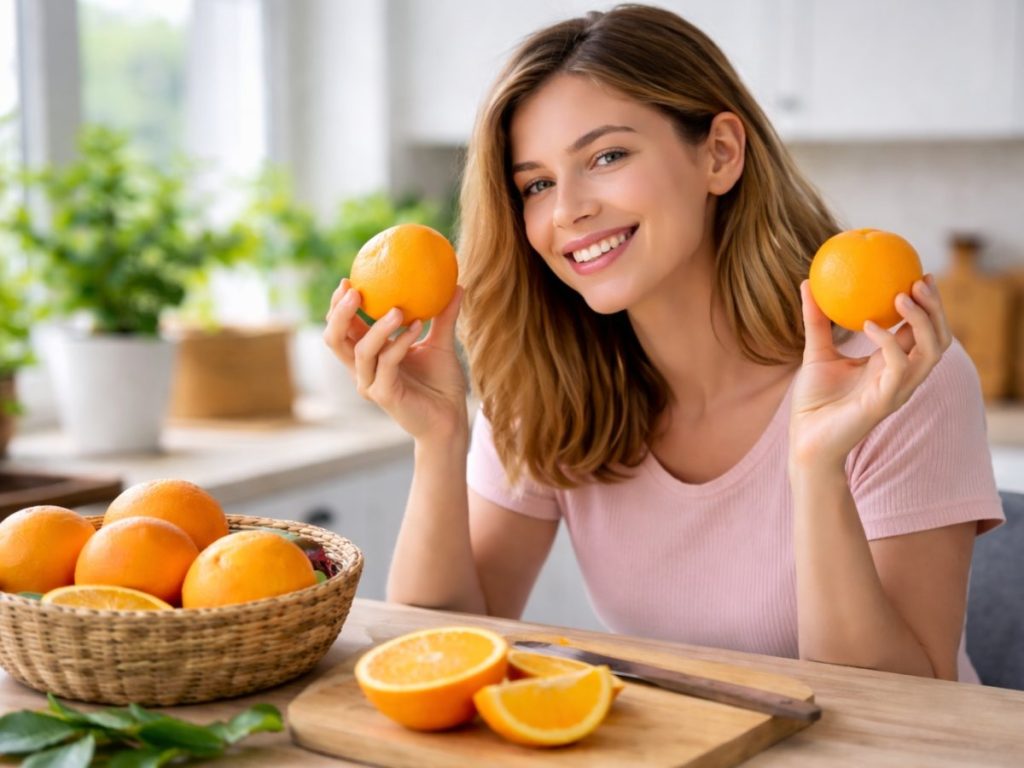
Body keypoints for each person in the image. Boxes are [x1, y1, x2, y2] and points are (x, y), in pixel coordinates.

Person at [324, 4, 1003, 682]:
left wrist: (817, 468)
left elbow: (906, 708)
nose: (568, 211)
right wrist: (440, 442)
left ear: (720, 154)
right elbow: (438, 661)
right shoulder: (547, 383)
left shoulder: (893, 375)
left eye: (607, 156)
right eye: (536, 184)